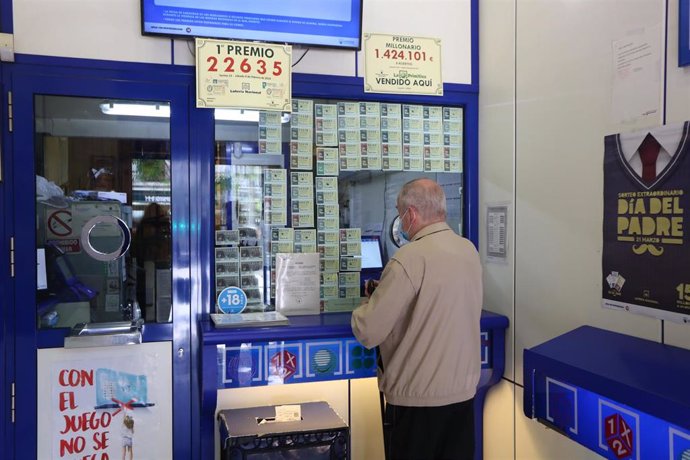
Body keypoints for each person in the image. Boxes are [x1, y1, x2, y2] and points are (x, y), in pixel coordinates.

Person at [351, 178, 483, 460]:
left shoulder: (408, 259)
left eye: (400, 214)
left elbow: (369, 331)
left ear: (410, 215)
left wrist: (366, 303)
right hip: (462, 398)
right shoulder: (468, 251)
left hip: (417, 404)